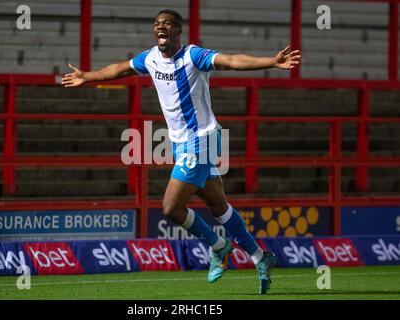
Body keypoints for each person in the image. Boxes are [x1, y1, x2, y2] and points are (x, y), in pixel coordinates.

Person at [62, 9, 301, 294]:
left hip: (201, 140)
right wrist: (87, 76)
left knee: (171, 208)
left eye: (167, 24)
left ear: (178, 31)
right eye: (156, 24)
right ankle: (261, 256)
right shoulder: (150, 58)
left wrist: (271, 62)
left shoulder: (193, 56)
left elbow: (232, 61)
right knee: (217, 206)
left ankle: (218, 246)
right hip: (183, 143)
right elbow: (119, 69)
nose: (160, 27)